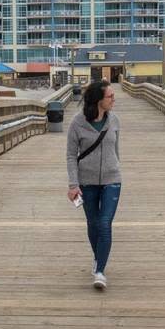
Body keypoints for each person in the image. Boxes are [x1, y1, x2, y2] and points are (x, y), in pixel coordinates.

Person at [66, 79, 122, 290]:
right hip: (86, 181)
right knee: (93, 223)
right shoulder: (77, 123)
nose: (113, 99)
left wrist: (116, 168)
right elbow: (71, 156)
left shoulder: (115, 120)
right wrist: (73, 184)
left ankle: (100, 271)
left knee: (105, 223)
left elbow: (116, 150)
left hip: (112, 179)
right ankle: (98, 258)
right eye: (110, 96)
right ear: (98, 100)